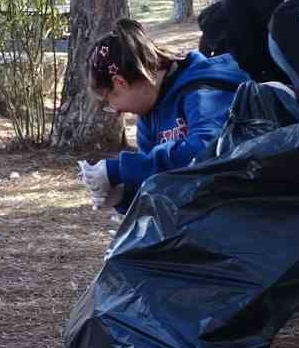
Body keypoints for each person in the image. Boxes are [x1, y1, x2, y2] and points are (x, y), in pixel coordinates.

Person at [78, 18, 251, 213]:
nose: (116, 111)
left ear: (120, 83)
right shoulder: (149, 113)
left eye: (108, 102)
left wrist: (120, 169)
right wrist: (124, 194)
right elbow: (158, 181)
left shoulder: (203, 91)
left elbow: (210, 152)